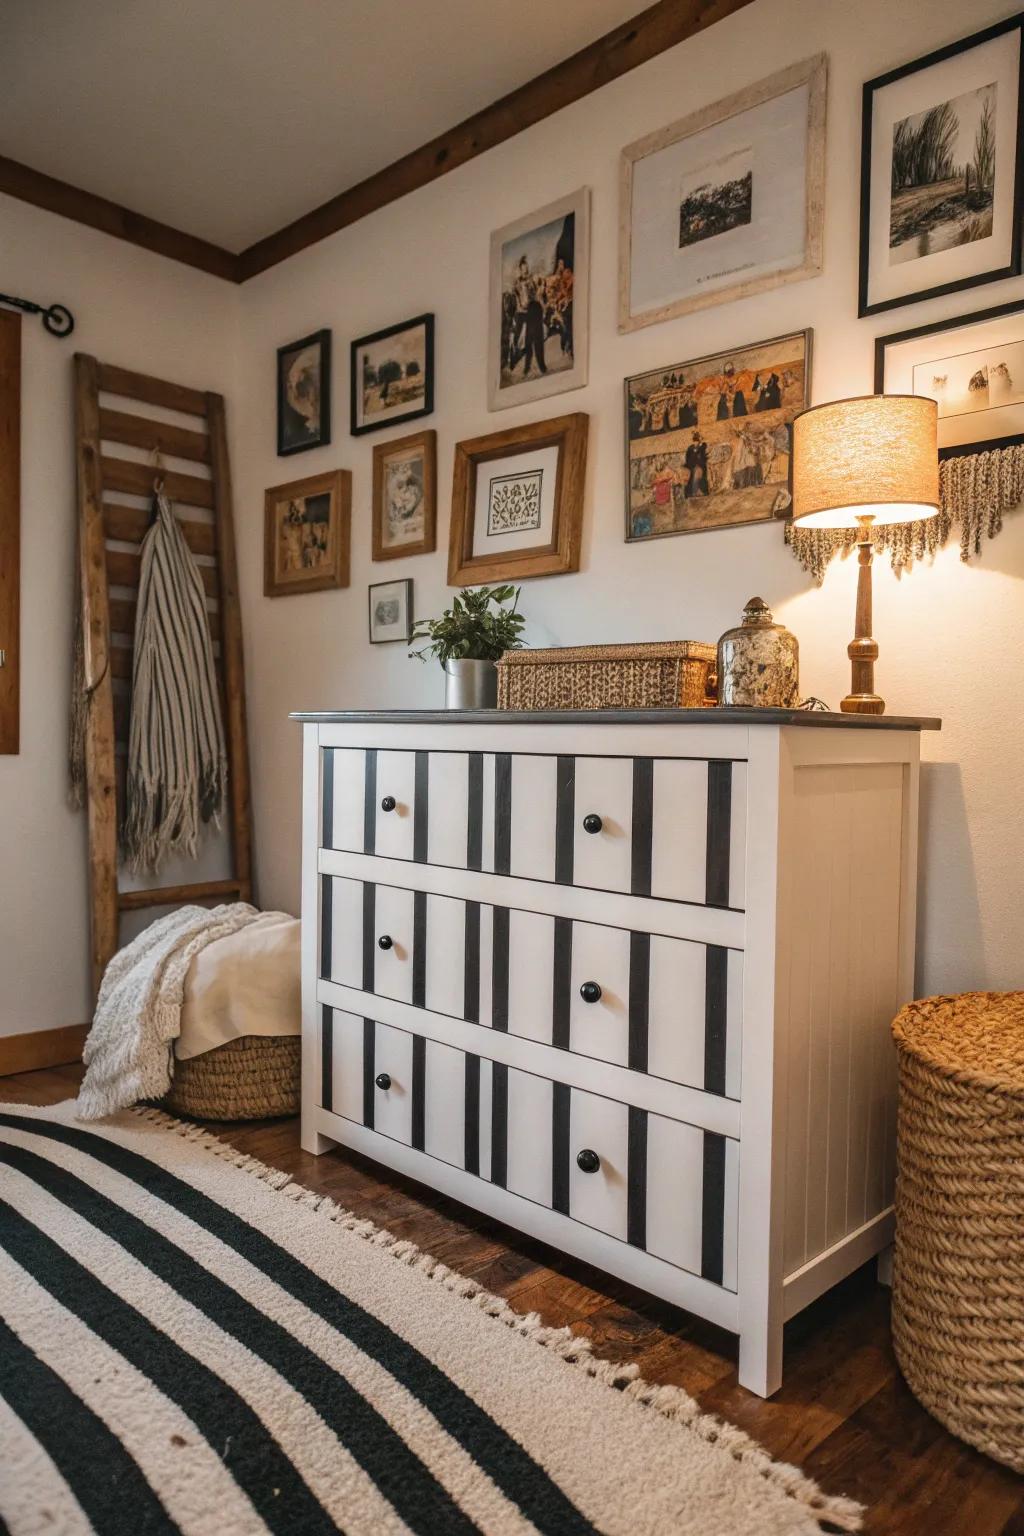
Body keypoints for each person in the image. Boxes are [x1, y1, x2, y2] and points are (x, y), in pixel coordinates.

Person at [684, 433, 708, 497]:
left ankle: (699, 491)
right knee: (696, 473)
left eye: (697, 441)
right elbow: (688, 459)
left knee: (699, 472)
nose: (696, 443)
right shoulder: (690, 448)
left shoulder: (702, 446)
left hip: (700, 465)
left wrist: (700, 443)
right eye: (695, 441)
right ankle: (695, 491)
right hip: (692, 465)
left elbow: (704, 446)